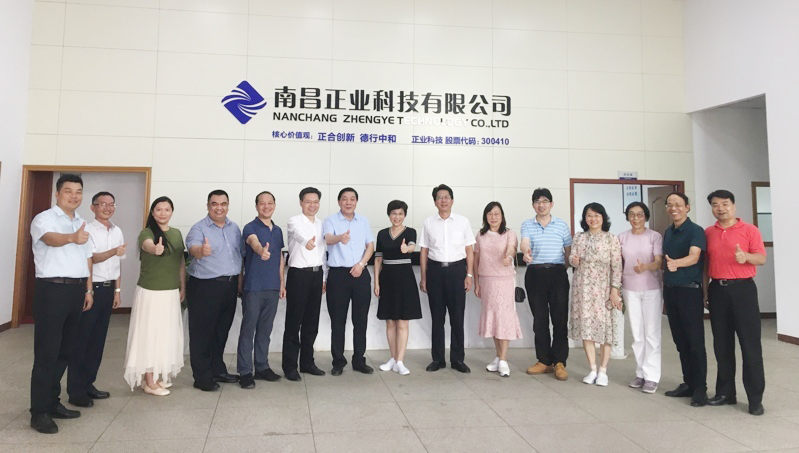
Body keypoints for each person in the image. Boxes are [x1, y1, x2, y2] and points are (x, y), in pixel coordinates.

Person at [29, 173, 93, 434]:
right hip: (52, 291)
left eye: (78, 191)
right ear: (57, 194)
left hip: (76, 291)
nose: (74, 196)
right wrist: (71, 238)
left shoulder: (81, 222)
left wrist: (88, 289)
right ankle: (39, 412)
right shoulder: (44, 218)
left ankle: (52, 402)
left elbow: (87, 258)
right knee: (47, 353)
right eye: (68, 191)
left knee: (65, 351)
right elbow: (50, 239)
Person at [704, 190, 767, 416]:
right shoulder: (708, 232)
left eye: (725, 203)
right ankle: (725, 393)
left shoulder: (750, 230)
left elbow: (761, 258)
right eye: (715, 204)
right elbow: (706, 264)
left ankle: (755, 399)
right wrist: (705, 290)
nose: (720, 208)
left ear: (734, 206)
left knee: (750, 345)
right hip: (717, 290)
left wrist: (745, 257)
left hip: (743, 290)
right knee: (722, 345)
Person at [67, 191, 126, 408]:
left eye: (111, 204)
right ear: (93, 208)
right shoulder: (87, 230)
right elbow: (91, 260)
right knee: (82, 340)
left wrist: (118, 291)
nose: (108, 208)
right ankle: (75, 391)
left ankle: (88, 384)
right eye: (103, 204)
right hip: (92, 290)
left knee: (97, 341)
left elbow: (119, 263)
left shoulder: (117, 230)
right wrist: (89, 291)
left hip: (109, 290)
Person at [123, 196, 185, 396]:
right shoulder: (147, 233)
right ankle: (149, 381)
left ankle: (154, 377)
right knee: (149, 335)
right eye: (158, 209)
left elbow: (180, 263)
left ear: (172, 212)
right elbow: (147, 245)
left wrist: (182, 286)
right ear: (152, 212)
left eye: (167, 209)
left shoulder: (176, 234)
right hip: (150, 293)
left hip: (170, 292)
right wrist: (155, 249)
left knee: (164, 335)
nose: (163, 213)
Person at [186, 190, 242, 391]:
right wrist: (201, 251)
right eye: (214, 204)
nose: (219, 208)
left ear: (228, 205)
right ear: (208, 206)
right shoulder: (199, 228)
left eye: (223, 204)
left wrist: (239, 282)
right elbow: (193, 247)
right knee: (202, 333)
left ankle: (217, 369)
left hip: (229, 286)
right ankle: (201, 377)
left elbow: (239, 256)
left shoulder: (234, 228)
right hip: (205, 286)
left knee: (221, 331)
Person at [419, 184, 475, 373]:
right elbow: (424, 251)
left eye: (446, 197)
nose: (443, 200)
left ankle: (458, 359)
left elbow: (469, 250)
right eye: (439, 197)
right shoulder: (428, 223)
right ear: (435, 202)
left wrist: (469, 275)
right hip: (435, 271)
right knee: (437, 318)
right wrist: (424, 277)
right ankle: (438, 359)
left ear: (452, 200)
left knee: (457, 317)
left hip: (457, 271)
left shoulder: (463, 222)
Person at [520, 188, 572, 381]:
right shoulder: (527, 224)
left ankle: (559, 362)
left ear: (551, 204)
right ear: (533, 205)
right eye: (537, 201)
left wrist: (563, 268)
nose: (541, 205)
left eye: (544, 201)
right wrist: (526, 252)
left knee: (560, 319)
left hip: (557, 274)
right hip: (535, 274)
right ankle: (543, 360)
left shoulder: (562, 225)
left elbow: (568, 251)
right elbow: (524, 243)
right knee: (540, 320)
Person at [662, 192, 708, 407]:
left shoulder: (695, 230)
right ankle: (688, 383)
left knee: (694, 341)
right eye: (670, 204)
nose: (674, 208)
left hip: (690, 292)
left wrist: (676, 263)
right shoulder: (668, 232)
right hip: (671, 292)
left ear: (687, 207)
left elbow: (694, 256)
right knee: (680, 341)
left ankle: (700, 388)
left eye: (678, 204)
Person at [569, 203, 622, 387]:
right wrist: (574, 260)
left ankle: (603, 371)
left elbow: (617, 266)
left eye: (597, 215)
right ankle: (592, 369)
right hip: (582, 288)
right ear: (585, 218)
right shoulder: (579, 237)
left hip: (603, 288)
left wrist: (615, 289)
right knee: (587, 329)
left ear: (603, 218)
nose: (593, 219)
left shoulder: (611, 238)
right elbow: (572, 259)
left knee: (605, 329)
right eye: (589, 215)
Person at [323, 187, 375, 376]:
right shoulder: (330, 220)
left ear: (356, 202)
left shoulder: (364, 221)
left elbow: (370, 246)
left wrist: (361, 264)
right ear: (339, 202)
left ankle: (359, 360)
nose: (348, 202)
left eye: (352, 199)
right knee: (338, 321)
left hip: (360, 272)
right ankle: (338, 361)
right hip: (338, 276)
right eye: (344, 199)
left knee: (360, 320)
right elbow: (328, 239)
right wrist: (340, 238)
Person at [237, 191, 285, 389]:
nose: (266, 206)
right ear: (256, 206)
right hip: (254, 287)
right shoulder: (250, 227)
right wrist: (260, 250)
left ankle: (262, 367)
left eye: (270, 203)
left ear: (274, 205)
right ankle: (245, 372)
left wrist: (281, 283)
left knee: (265, 330)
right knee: (248, 330)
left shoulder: (278, 230)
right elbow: (253, 242)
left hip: (272, 287)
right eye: (262, 203)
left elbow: (280, 257)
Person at [618, 202, 664, 394]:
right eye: (631, 214)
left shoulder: (654, 236)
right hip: (630, 288)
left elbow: (658, 262)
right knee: (637, 334)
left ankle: (652, 376)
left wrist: (645, 267)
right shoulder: (621, 237)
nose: (635, 218)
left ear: (646, 216)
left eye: (639, 214)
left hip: (651, 288)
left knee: (651, 333)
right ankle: (641, 373)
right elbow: (618, 264)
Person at [282, 187, 327, 382]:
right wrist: (307, 242)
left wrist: (324, 278)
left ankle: (307, 363)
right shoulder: (294, 221)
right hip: (298, 275)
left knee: (311, 322)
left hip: (317, 275)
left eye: (315, 201)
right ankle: (290, 366)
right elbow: (299, 235)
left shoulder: (322, 224)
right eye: (308, 201)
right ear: (301, 202)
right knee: (294, 322)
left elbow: (322, 253)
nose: (312, 205)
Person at [473, 202, 522, 377]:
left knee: (503, 318)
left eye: (497, 214)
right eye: (490, 214)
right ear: (485, 216)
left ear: (502, 216)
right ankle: (499, 357)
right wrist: (476, 283)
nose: (493, 217)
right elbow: (476, 260)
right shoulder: (480, 235)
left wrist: (508, 257)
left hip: (504, 280)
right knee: (493, 319)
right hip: (487, 280)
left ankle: (503, 359)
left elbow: (512, 249)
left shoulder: (509, 233)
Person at [374, 200, 422, 376]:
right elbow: (378, 259)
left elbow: (412, 246)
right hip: (387, 278)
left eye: (400, 213)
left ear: (405, 215)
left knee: (402, 321)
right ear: (389, 215)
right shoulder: (382, 234)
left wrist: (407, 248)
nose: (397, 217)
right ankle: (393, 359)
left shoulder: (410, 232)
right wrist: (376, 282)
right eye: (394, 213)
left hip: (404, 279)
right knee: (390, 321)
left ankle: (400, 361)